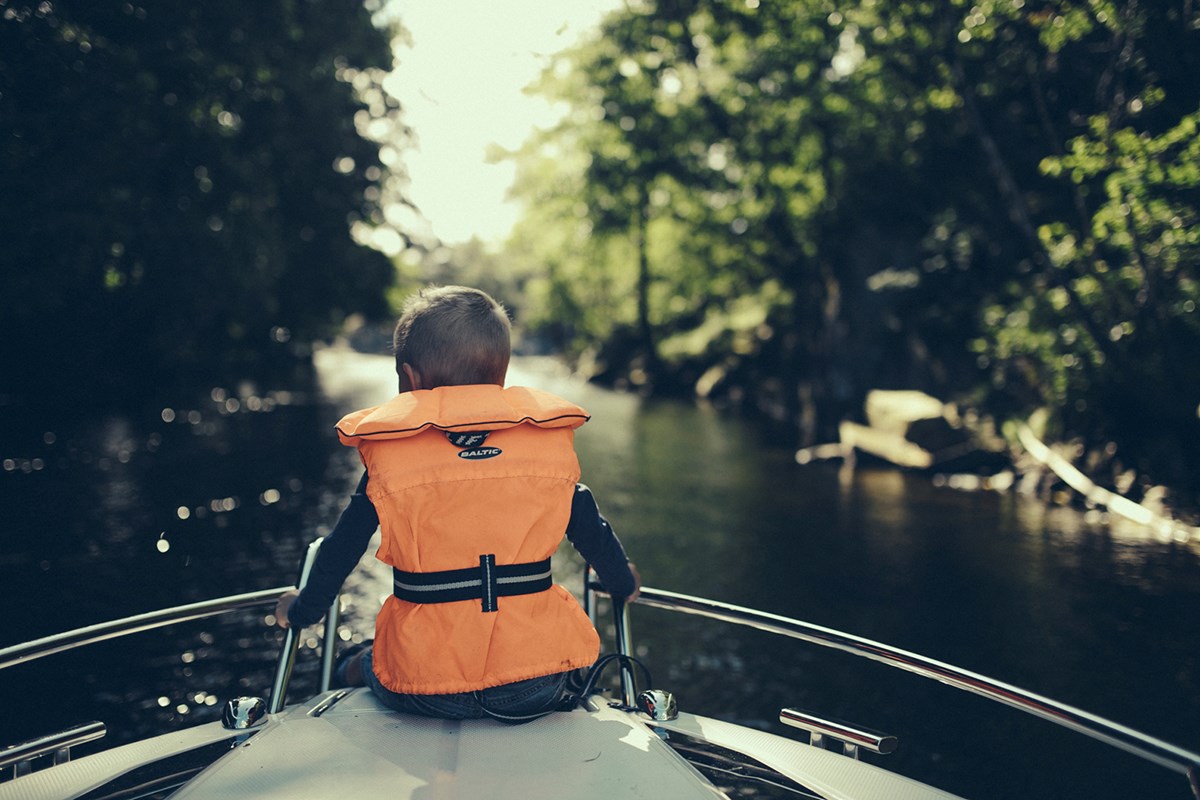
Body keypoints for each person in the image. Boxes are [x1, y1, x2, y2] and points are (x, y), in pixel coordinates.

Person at [275, 285, 639, 722]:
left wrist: (300, 609)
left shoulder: (390, 463)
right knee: (566, 662)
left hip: (425, 688)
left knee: (361, 662)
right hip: (535, 686)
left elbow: (339, 552)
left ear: (411, 379)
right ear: (499, 379)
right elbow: (593, 534)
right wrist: (622, 582)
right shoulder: (544, 454)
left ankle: (354, 665)